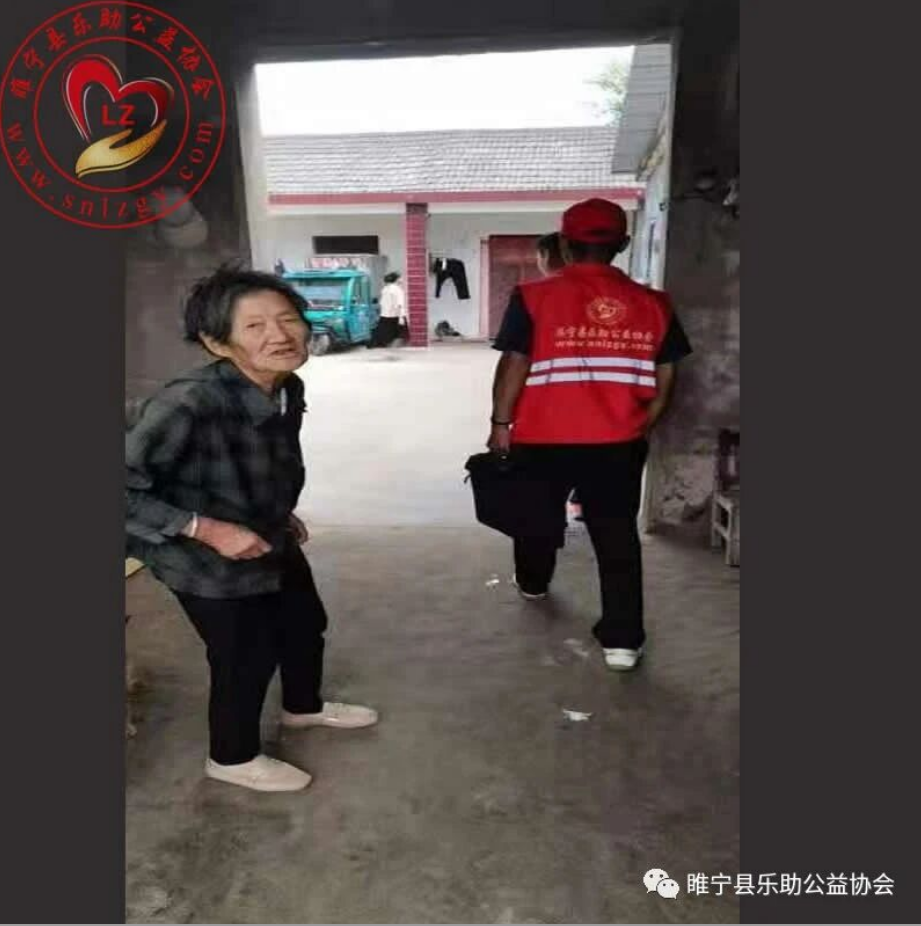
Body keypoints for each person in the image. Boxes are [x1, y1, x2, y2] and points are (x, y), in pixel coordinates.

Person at [126, 264, 378, 793]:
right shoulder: (188, 402)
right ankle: (231, 757)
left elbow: (264, 460)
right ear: (217, 343)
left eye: (288, 319)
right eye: (255, 326)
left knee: (304, 624)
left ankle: (302, 708)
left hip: (264, 532)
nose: (280, 335)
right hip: (196, 552)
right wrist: (205, 528)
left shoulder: (287, 386)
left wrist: (279, 510)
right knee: (245, 655)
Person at [488, 198, 692, 671]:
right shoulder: (654, 304)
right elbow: (668, 374)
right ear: (623, 244)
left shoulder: (533, 296)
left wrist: (500, 424)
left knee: (535, 519)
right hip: (618, 441)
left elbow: (515, 362)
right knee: (616, 534)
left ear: (564, 243)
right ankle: (623, 641)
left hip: (542, 436)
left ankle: (533, 582)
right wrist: (646, 421)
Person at [373, 271, 408, 346]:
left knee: (384, 336)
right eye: (400, 278)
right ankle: (395, 348)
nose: (402, 279)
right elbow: (400, 304)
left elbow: (382, 303)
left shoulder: (385, 289)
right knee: (401, 336)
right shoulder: (398, 290)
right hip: (396, 315)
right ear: (396, 279)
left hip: (385, 315)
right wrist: (401, 317)